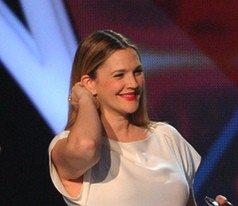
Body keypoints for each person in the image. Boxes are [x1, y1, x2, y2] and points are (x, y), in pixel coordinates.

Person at [48, 30, 201, 205]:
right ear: (89, 84)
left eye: (137, 72)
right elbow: (87, 146)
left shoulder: (167, 137)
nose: (133, 84)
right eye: (119, 75)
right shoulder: (66, 146)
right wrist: (83, 99)